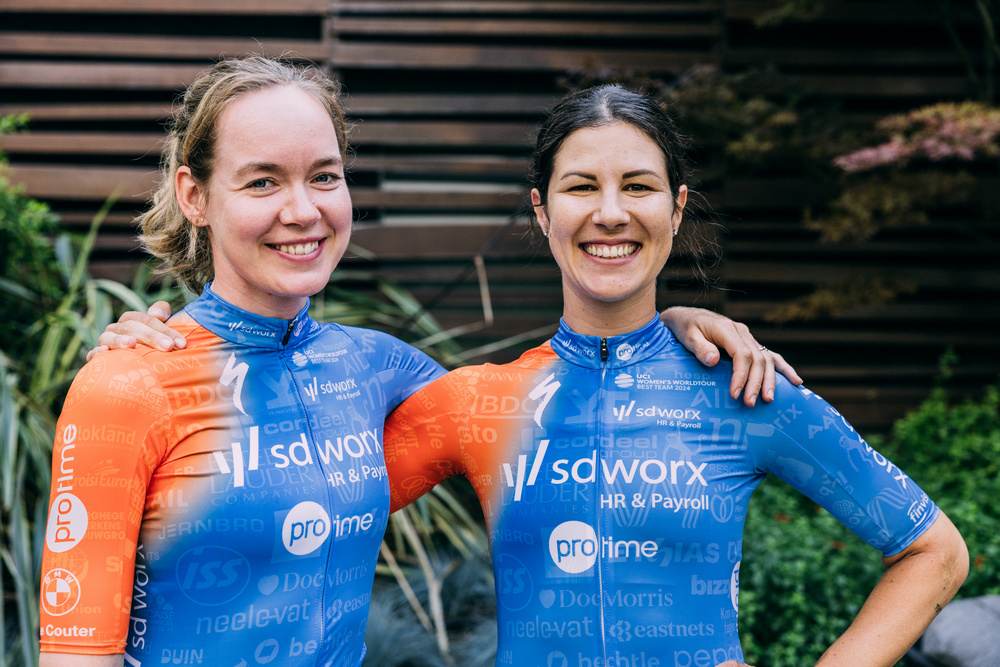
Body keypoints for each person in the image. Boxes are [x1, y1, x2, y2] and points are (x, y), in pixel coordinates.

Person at [40, 57, 793, 667]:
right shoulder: (128, 384)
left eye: (324, 175)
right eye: (262, 180)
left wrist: (667, 326)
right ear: (194, 195)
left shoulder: (376, 368)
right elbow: (75, 653)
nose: (302, 209)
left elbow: (554, 402)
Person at [379, 85, 969, 666]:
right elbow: (325, 511)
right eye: (582, 187)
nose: (611, 213)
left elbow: (935, 553)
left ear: (677, 208)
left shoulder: (744, 387)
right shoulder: (477, 402)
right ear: (542, 210)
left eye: (638, 186)